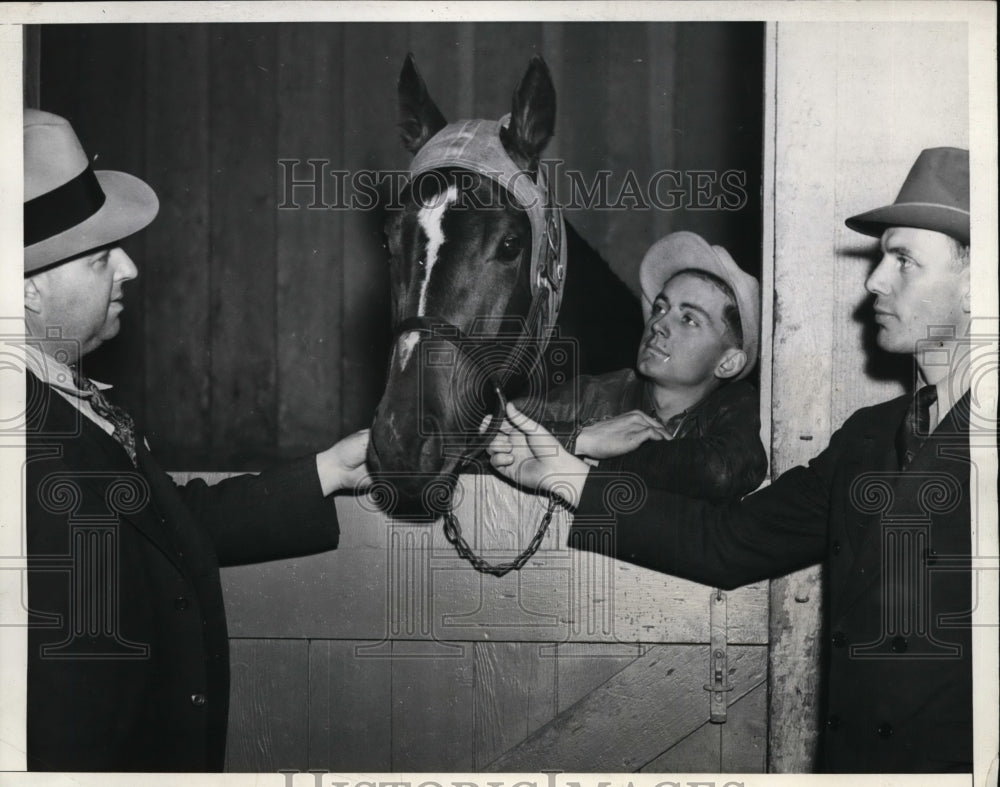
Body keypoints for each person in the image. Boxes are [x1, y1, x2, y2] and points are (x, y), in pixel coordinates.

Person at [486, 147, 974, 773]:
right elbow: (725, 543)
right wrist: (566, 476)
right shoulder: (868, 439)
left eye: (904, 260)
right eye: (882, 256)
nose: (874, 280)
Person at [21, 109, 369, 772]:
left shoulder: (56, 394)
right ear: (30, 290)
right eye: (100, 257)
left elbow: (162, 528)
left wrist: (328, 468)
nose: (128, 267)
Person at [519, 231, 766, 499]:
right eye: (660, 308)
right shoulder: (593, 394)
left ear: (728, 363)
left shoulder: (734, 404)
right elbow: (483, 434)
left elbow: (723, 471)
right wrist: (585, 439)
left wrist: (599, 455)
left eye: (689, 319)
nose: (657, 324)